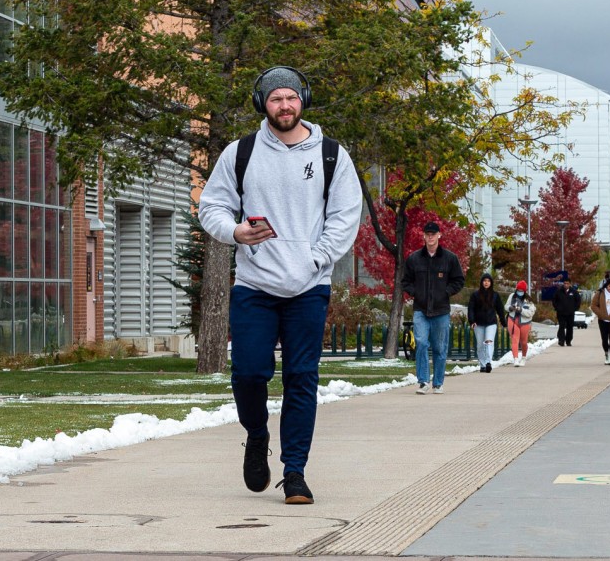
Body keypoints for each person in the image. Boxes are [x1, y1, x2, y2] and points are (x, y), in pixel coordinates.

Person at [198, 65, 363, 504]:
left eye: (290, 97)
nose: (284, 105)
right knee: (249, 373)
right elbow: (211, 204)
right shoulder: (242, 152)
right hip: (254, 284)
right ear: (262, 104)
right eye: (275, 99)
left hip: (309, 286)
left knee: (301, 377)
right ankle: (255, 434)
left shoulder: (331, 154)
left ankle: (295, 473)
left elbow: (345, 218)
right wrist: (235, 233)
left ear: (302, 100)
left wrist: (316, 257)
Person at [403, 222, 466, 394]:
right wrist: (415, 293)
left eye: (433, 234)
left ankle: (438, 383)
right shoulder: (414, 258)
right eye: (427, 234)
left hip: (441, 311)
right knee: (421, 343)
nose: (430, 237)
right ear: (423, 236)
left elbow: (459, 280)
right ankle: (423, 382)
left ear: (439, 235)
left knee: (439, 347)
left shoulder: (450, 258)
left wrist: (446, 292)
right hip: (421, 310)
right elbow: (405, 281)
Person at [467, 273, 506, 374]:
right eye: (484, 281)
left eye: (488, 281)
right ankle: (482, 364)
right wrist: (471, 321)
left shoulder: (495, 295)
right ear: (481, 282)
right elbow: (471, 309)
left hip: (491, 322)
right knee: (480, 345)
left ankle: (488, 362)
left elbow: (500, 309)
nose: (486, 283)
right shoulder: (475, 295)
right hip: (478, 323)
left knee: (489, 341)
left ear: (491, 283)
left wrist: (503, 321)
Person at [505, 280, 537, 366]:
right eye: (518, 290)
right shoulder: (512, 296)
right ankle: (515, 359)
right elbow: (506, 306)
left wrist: (521, 310)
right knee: (515, 339)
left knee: (523, 342)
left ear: (525, 291)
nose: (520, 292)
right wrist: (510, 308)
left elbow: (531, 313)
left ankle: (523, 357)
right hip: (512, 319)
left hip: (524, 322)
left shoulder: (529, 300)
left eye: (521, 291)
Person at [553, 281, 580, 347]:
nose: (566, 285)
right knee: (562, 326)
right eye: (564, 283)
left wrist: (574, 309)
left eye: (567, 283)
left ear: (570, 284)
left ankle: (568, 341)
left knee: (569, 327)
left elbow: (578, 301)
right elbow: (554, 300)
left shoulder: (574, 292)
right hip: (561, 313)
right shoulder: (558, 292)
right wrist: (557, 308)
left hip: (570, 313)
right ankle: (561, 340)